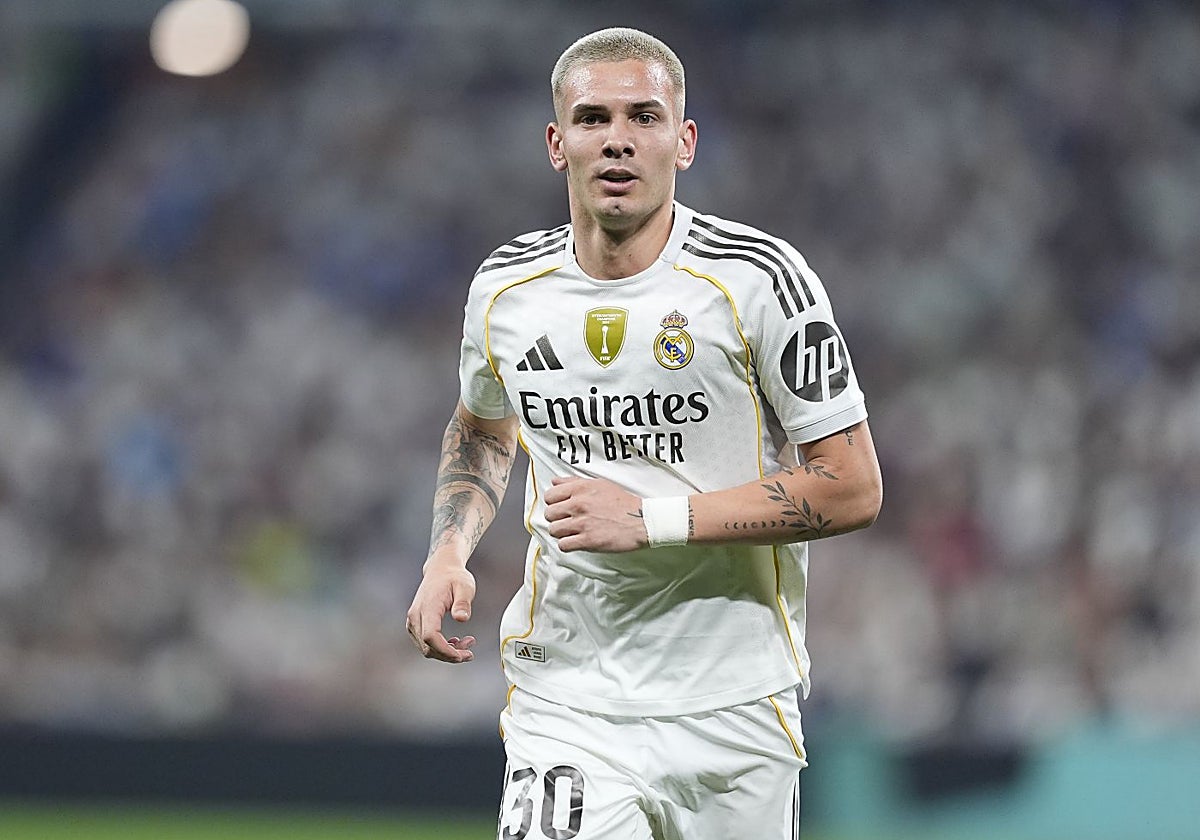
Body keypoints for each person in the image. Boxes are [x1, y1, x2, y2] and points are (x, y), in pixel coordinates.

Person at [406, 26, 882, 840]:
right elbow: (484, 427)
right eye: (593, 118)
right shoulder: (507, 290)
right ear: (558, 144)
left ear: (684, 141)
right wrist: (447, 550)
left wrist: (650, 519)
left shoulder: (758, 281)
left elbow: (852, 485)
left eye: (645, 117)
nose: (618, 139)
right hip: (569, 697)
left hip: (733, 702)